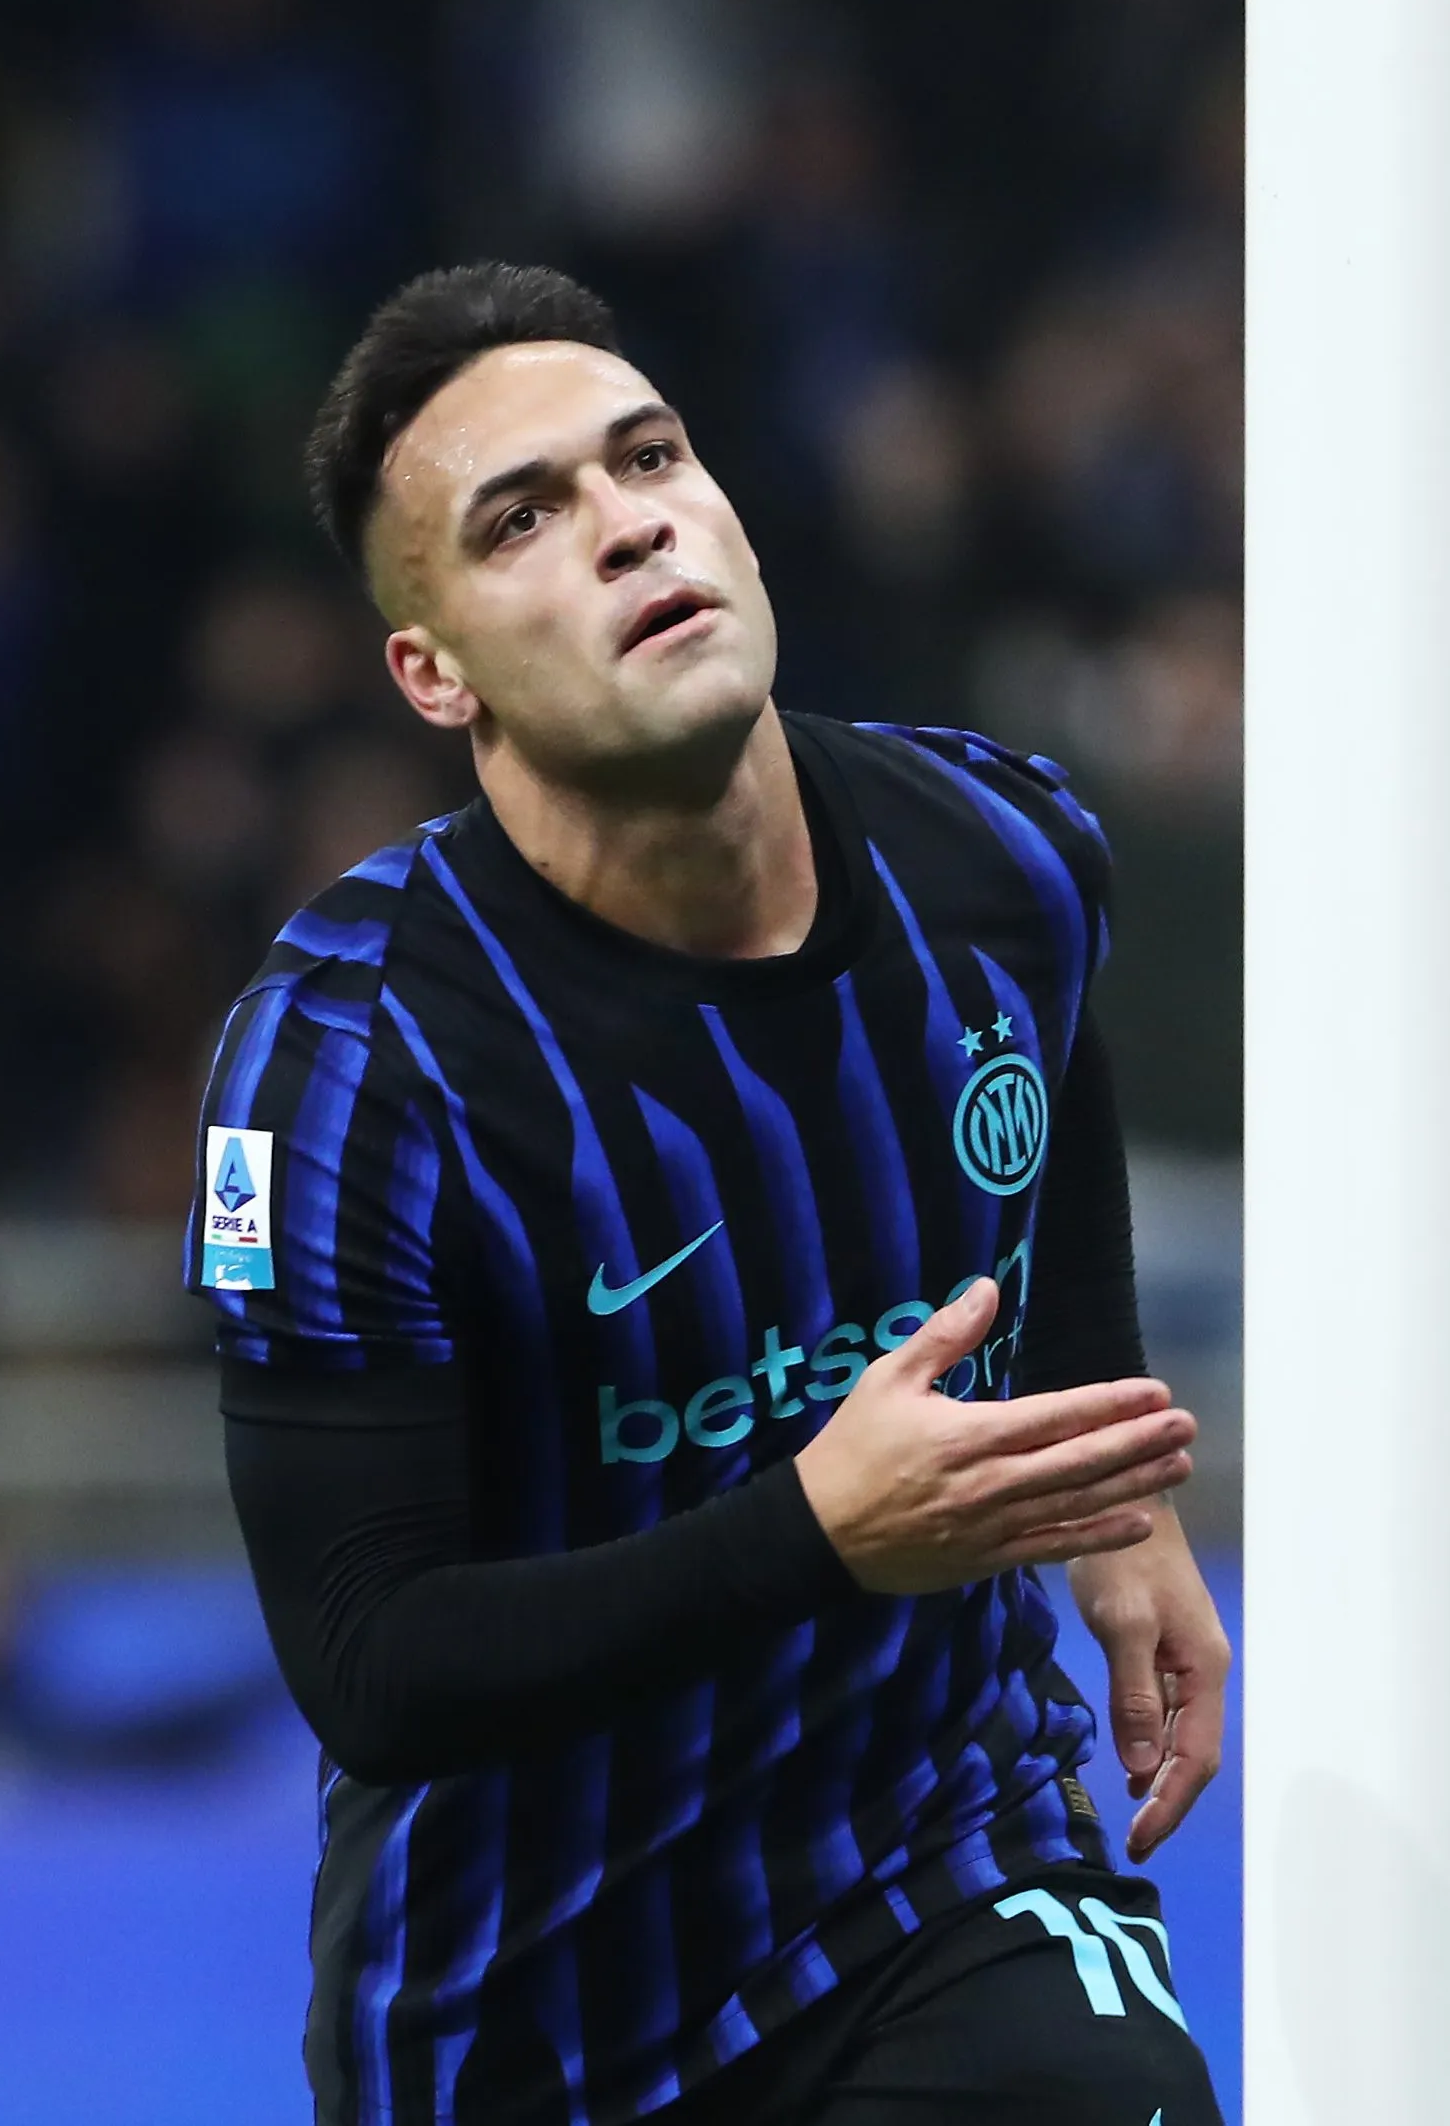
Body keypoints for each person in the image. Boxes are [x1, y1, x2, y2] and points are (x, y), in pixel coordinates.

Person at [195, 262, 1230, 2126]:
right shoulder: (354, 1064)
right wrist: (816, 1530)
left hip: (943, 1856)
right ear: (433, 672)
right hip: (525, 2007)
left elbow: (1046, 1079)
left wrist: (1109, 1492)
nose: (626, 525)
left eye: (648, 457)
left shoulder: (1002, 848)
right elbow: (373, 1665)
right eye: (524, 518)